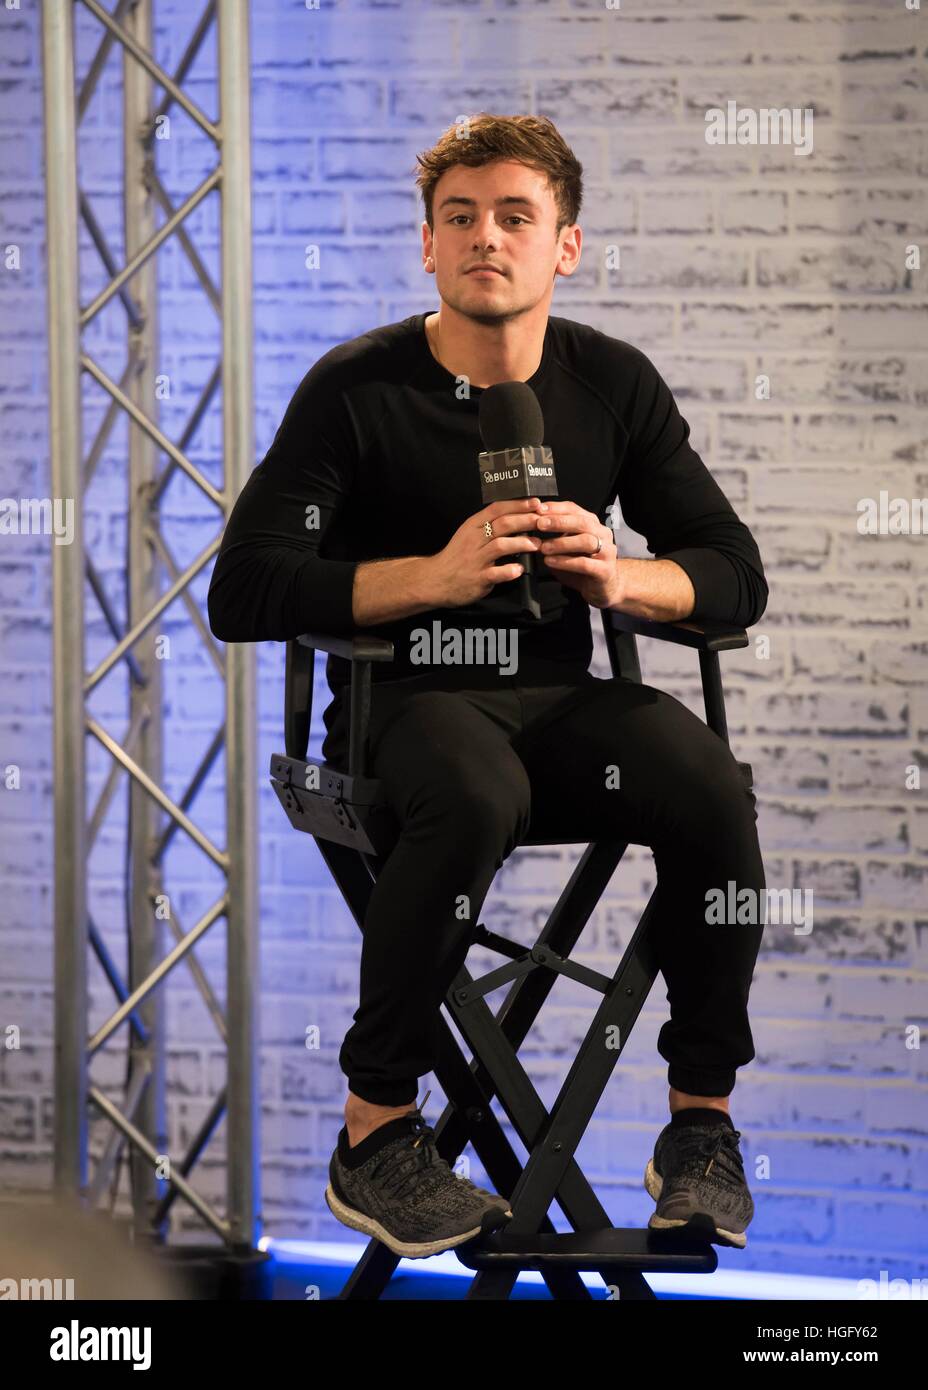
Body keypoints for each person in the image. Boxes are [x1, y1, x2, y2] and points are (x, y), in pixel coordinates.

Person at [208, 114, 768, 1260]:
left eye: (516, 216)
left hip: (559, 709)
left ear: (566, 246)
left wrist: (619, 575)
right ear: (426, 244)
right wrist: (433, 576)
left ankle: (698, 1128)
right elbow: (246, 588)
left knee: (710, 786)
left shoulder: (611, 383)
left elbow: (731, 574)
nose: (485, 238)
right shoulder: (355, 388)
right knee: (471, 793)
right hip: (402, 708)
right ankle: (377, 1133)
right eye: (459, 217)